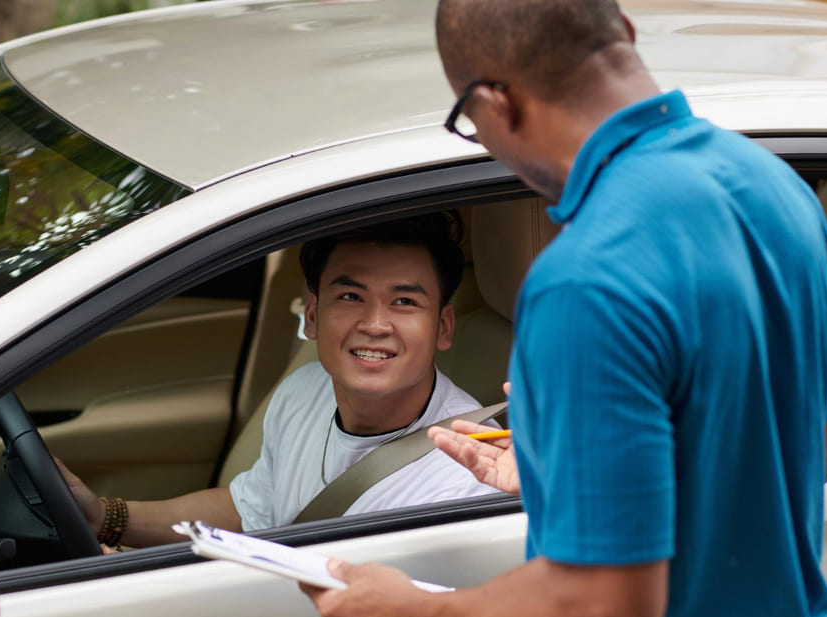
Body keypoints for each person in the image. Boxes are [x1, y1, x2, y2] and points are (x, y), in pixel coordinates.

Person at [303, 1, 827, 617]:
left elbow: (610, 612)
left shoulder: (584, 279)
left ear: (494, 103)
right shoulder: (774, 187)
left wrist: (412, 616)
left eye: (469, 120)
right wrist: (574, 487)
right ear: (622, 32)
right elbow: (808, 457)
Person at [60, 211, 498, 549]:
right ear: (312, 316)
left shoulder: (468, 470)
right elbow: (250, 510)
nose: (375, 323)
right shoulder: (302, 391)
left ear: (443, 327)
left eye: (404, 301)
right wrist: (104, 518)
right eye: (350, 296)